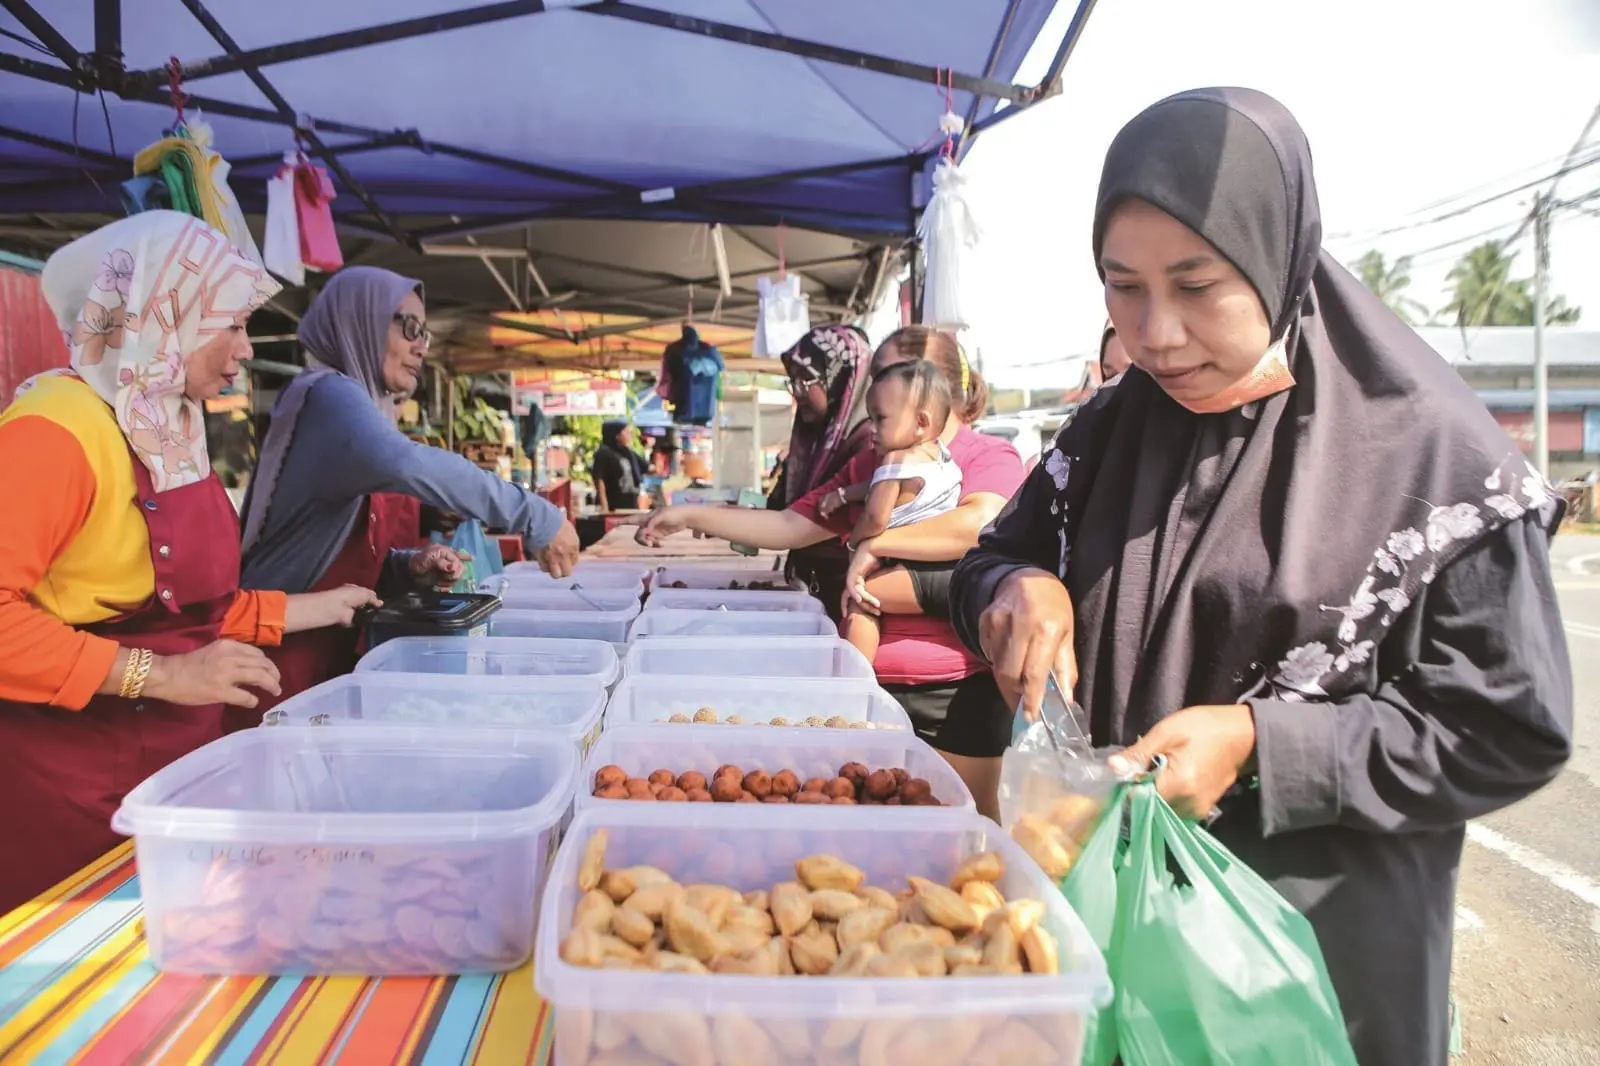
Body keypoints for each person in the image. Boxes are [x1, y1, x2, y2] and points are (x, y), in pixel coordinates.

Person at [949, 88, 1572, 1065]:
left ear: (1276, 256)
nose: (1154, 332)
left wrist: (1261, 743)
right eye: (1122, 286)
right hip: (1115, 926)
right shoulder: (1113, 428)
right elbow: (994, 558)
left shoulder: (1427, 459)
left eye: (1196, 284)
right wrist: (1015, 590)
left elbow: (1506, 724)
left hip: (1307, 970)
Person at [0, 213, 379, 911]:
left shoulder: (166, 422)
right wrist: (164, 675)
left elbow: (185, 605)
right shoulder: (56, 429)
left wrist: (318, 608)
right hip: (69, 779)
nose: (245, 348)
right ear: (161, 309)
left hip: (170, 767)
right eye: (228, 324)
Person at [631, 326, 1023, 817]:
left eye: (886, 378)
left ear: (929, 389)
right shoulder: (869, 463)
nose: (871, 395)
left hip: (954, 691)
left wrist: (873, 543)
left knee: (966, 823)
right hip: (865, 688)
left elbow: (978, 522)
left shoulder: (986, 455)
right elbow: (790, 524)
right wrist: (689, 516)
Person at [237, 267, 581, 726]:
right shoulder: (325, 395)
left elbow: (335, 548)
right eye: (409, 327)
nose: (422, 345)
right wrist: (536, 515)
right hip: (280, 666)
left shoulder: (357, 407)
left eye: (426, 333)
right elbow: (406, 463)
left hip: (328, 658)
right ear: (358, 320)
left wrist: (405, 567)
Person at [818, 360, 961, 662]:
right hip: (950, 568)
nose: (871, 430)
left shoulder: (894, 461)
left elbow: (875, 517)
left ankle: (856, 683)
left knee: (860, 600)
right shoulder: (940, 457)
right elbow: (882, 487)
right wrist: (844, 495)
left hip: (911, 573)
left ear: (921, 422)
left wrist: (854, 544)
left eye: (880, 419)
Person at [762, 324, 876, 621]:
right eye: (792, 382)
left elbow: (794, 524)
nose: (797, 392)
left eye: (806, 380)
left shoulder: (867, 445)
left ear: (842, 378)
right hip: (807, 587)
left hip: (841, 600)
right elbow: (778, 508)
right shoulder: (812, 440)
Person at [591, 420, 647, 511]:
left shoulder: (628, 453)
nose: (630, 435)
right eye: (626, 432)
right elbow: (599, 479)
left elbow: (646, 467)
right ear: (616, 435)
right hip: (614, 506)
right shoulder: (604, 453)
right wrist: (604, 506)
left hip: (631, 504)